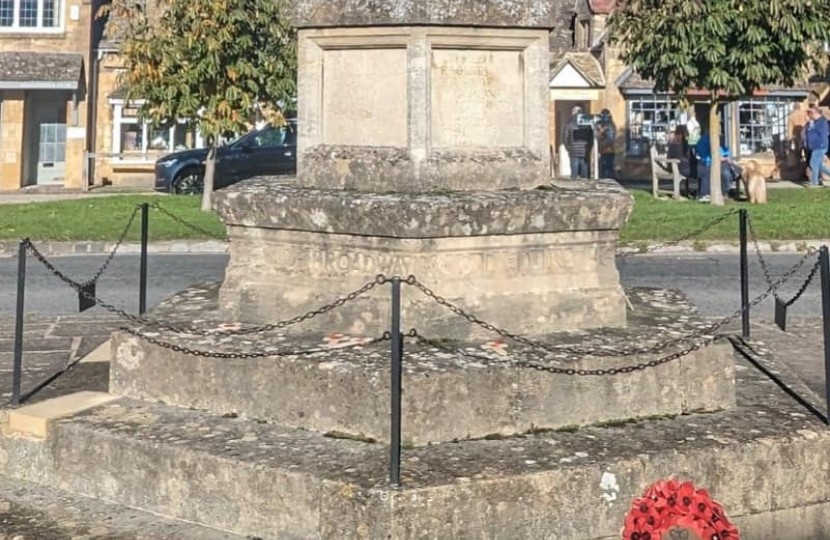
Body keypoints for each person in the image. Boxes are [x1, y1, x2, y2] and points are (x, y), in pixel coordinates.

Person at [695, 134, 741, 202]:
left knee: (740, 171)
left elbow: (726, 153)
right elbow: (705, 156)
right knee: (725, 173)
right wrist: (723, 159)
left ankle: (729, 189)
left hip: (724, 162)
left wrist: (728, 159)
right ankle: (722, 192)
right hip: (711, 163)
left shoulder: (720, 141)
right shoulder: (703, 141)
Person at [562, 106, 592, 179]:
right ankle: (585, 184)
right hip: (585, 150)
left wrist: (568, 148)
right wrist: (589, 147)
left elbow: (565, 137)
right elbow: (591, 136)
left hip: (573, 150)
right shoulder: (586, 123)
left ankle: (573, 185)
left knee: (574, 171)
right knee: (584, 170)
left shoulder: (569, 123)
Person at [803, 105, 830, 187]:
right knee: (819, 165)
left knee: (813, 163)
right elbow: (810, 132)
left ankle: (814, 182)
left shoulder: (822, 122)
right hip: (815, 146)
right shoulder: (814, 122)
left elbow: (823, 134)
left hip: (820, 146)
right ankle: (817, 180)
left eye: (810, 113)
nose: (809, 115)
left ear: (815, 113)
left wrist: (811, 124)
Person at [597, 109, 616, 178]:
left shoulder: (609, 125)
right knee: (604, 169)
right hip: (604, 150)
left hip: (608, 150)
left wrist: (601, 145)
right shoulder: (606, 125)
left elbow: (610, 139)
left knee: (607, 170)